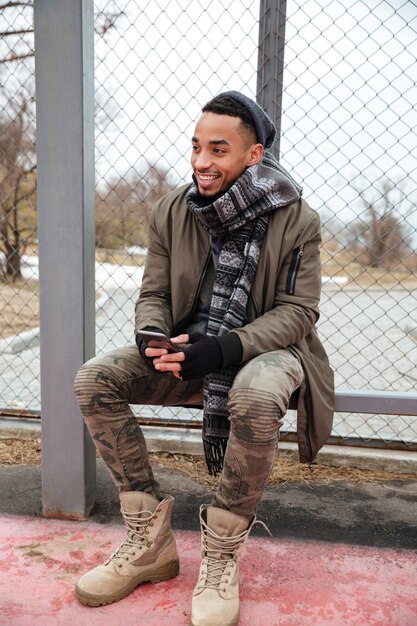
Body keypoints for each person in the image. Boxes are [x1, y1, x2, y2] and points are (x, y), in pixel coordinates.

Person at [74, 91, 334, 626]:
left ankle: (221, 554)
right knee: (95, 378)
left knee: (257, 395)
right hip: (187, 350)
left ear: (254, 155)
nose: (201, 162)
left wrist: (223, 348)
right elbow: (153, 294)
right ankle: (149, 542)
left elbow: (298, 311)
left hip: (268, 351)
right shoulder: (172, 209)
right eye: (196, 147)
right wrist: (153, 336)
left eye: (218, 149)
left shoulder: (296, 219)